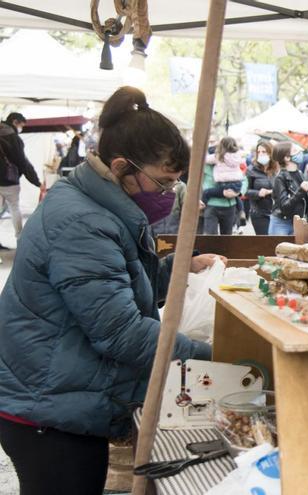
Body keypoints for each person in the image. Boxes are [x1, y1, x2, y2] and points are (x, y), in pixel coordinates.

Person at [0, 87, 217, 495]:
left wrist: (175, 270)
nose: (168, 195)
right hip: (48, 410)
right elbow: (120, 331)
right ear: (120, 167)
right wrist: (216, 355)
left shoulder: (98, 207)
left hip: (59, 396)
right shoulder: (82, 223)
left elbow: (117, 288)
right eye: (163, 183)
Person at [0, 112, 41, 249]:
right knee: (14, 208)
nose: (20, 128)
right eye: (21, 125)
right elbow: (22, 162)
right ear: (15, 122)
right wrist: (36, 181)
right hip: (9, 181)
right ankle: (20, 238)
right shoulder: (12, 138)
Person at [201, 149, 247, 235]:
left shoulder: (231, 162)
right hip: (211, 205)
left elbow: (244, 180)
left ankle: (241, 211)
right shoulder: (205, 165)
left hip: (230, 206)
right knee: (210, 237)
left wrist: (238, 192)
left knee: (227, 237)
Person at [269, 141, 308, 236]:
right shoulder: (280, 178)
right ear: (287, 158)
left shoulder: (299, 173)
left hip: (298, 222)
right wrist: (301, 191)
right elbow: (284, 206)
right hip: (282, 223)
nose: (300, 152)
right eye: (295, 151)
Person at [245, 140, 279, 235]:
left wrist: (270, 192)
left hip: (276, 213)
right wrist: (258, 193)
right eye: (258, 152)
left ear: (270, 153)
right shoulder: (251, 170)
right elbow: (245, 191)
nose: (260, 154)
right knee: (265, 240)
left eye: (264, 152)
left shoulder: (277, 170)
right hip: (259, 212)